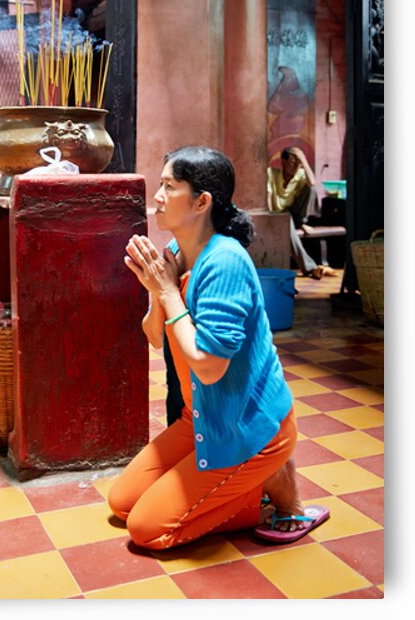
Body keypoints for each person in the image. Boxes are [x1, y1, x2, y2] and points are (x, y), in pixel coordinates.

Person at [108, 145, 329, 551]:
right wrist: (157, 290)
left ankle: (261, 491)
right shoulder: (178, 254)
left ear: (202, 202)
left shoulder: (225, 262)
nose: (158, 196)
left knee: (146, 530)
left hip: (245, 426)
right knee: (121, 503)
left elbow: (209, 368)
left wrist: (168, 293)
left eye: (169, 187)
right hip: (201, 419)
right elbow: (154, 336)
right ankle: (251, 487)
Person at [267, 146, 337, 279]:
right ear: (283, 162)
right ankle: (310, 267)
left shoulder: (300, 175)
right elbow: (268, 198)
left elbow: (313, 183)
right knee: (287, 221)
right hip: (277, 216)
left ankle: (301, 222)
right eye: (293, 162)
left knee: (311, 189)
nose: (296, 167)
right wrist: (271, 219)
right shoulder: (271, 173)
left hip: (293, 214)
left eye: (298, 163)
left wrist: (303, 160)